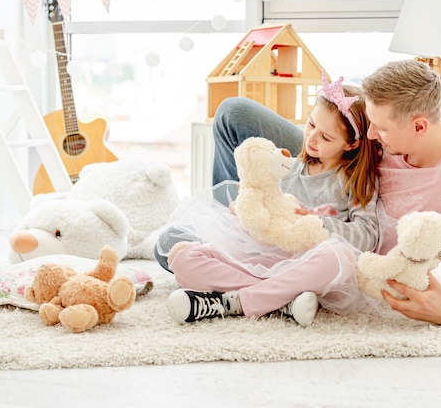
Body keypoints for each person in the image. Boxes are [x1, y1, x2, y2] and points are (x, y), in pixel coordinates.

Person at [209, 59, 441, 326]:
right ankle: (233, 232)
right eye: (371, 121)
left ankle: (242, 270)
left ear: (419, 127)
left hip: (340, 241)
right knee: (233, 113)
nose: (370, 135)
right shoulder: (394, 125)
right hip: (338, 163)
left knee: (169, 251)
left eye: (381, 128)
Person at [159, 72, 382, 326]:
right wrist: (243, 208)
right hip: (267, 258)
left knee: (340, 257)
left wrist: (318, 223)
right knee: (181, 255)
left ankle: (235, 302)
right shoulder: (286, 167)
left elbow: (368, 235)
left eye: (326, 137)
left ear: (351, 145)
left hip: (309, 265)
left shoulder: (356, 181)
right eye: (311, 125)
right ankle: (281, 300)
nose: (311, 139)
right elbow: (263, 214)